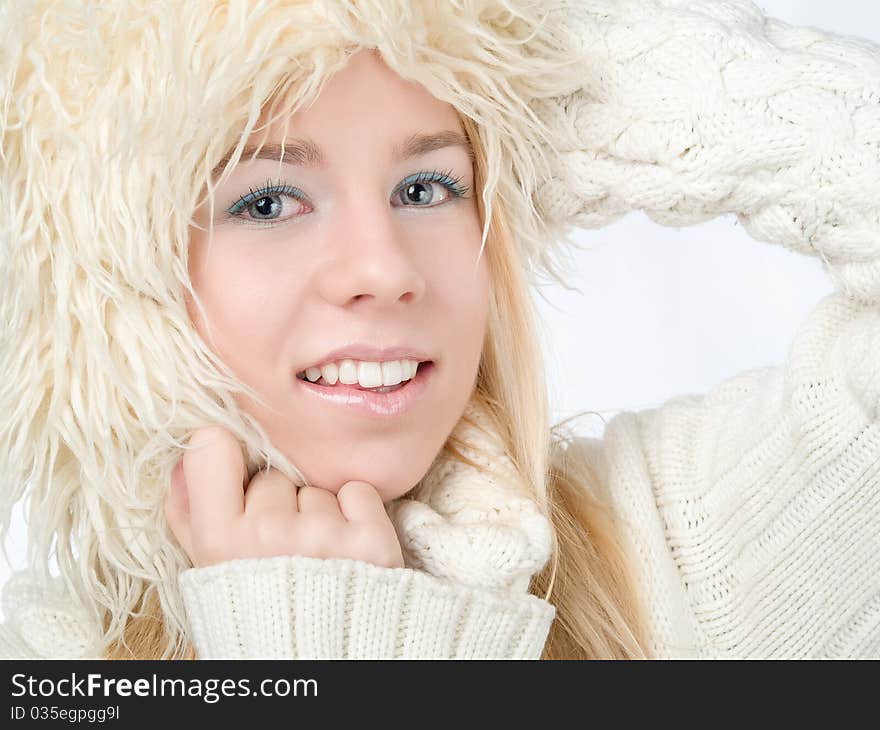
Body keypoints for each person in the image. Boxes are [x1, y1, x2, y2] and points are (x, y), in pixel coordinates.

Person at [0, 0, 877, 660]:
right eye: (267, 199)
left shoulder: (682, 550)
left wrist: (534, 67)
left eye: (427, 188)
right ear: (110, 282)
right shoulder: (48, 662)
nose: (383, 268)